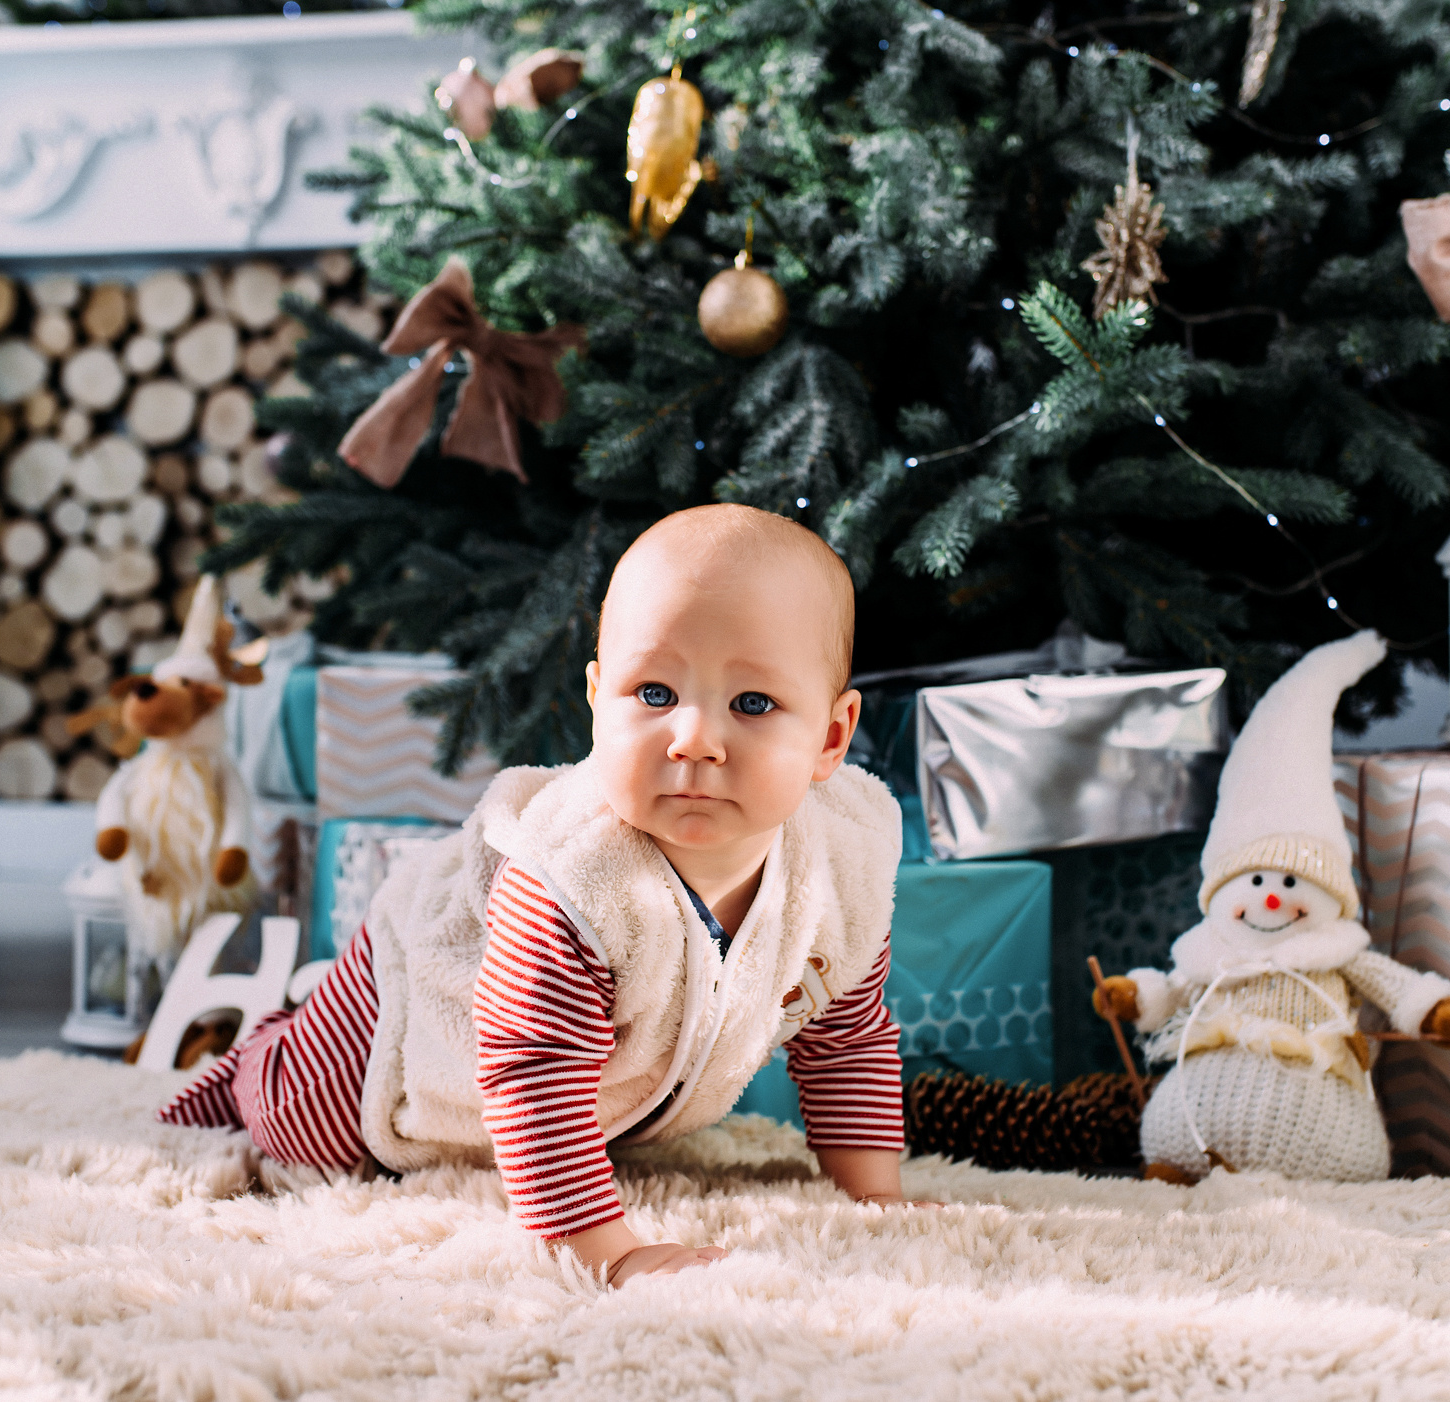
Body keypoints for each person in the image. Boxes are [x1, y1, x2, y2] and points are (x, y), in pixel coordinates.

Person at [159, 503, 916, 1285]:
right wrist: (604, 1253)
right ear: (596, 701)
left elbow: (846, 1041)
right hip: (394, 1012)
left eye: (752, 704)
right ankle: (254, 1062)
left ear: (830, 739)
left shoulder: (841, 871)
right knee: (302, 1124)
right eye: (654, 693)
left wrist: (875, 1195)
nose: (693, 738)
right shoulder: (569, 878)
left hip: (599, 1079)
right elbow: (535, 1066)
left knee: (574, 1103)